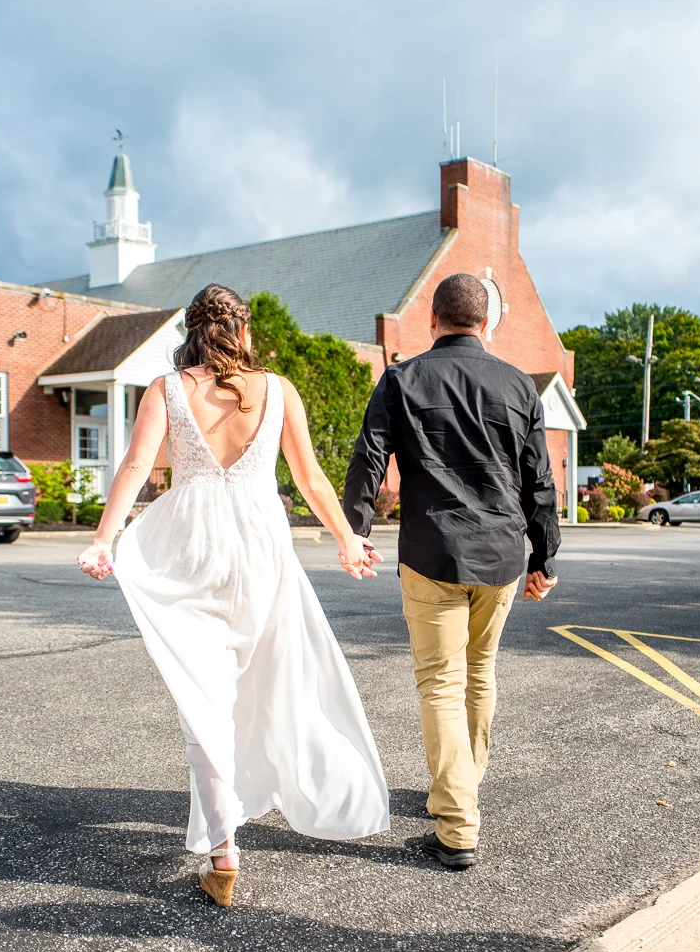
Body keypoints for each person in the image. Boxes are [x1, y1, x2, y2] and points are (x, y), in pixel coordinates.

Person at [77, 285, 389, 907]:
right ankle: (288, 797)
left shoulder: (166, 389)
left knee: (205, 699)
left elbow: (136, 467)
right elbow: (311, 478)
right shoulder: (277, 390)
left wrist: (105, 539)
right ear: (243, 331)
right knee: (273, 683)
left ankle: (224, 854)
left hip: (189, 547)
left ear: (190, 332)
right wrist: (349, 539)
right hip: (259, 550)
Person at [343, 273, 560, 871]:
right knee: (479, 672)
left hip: (432, 553)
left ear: (433, 320)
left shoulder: (403, 378)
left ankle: (458, 824)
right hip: (500, 555)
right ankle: (462, 783)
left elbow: (369, 454)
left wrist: (354, 531)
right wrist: (545, 557)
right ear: (487, 323)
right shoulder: (519, 385)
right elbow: (539, 481)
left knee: (440, 683)